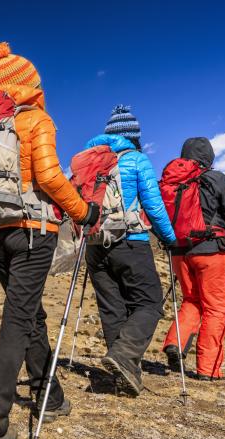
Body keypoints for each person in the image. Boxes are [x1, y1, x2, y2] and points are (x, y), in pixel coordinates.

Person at [0, 42, 99, 439]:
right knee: (19, 317)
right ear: (29, 85)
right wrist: (83, 212)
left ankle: (49, 397)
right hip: (31, 230)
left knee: (28, 312)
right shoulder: (36, 120)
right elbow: (48, 176)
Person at [83, 105, 177, 397]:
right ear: (133, 136)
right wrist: (169, 238)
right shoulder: (136, 160)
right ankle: (124, 357)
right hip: (130, 240)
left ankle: (126, 376)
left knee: (112, 309)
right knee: (149, 303)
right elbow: (154, 206)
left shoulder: (88, 162)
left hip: (95, 245)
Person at [162, 137, 225, 380]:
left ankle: (176, 343)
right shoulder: (216, 179)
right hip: (210, 252)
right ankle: (208, 369)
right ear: (209, 158)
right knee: (215, 308)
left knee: (191, 301)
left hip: (180, 253)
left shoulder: (174, 181)